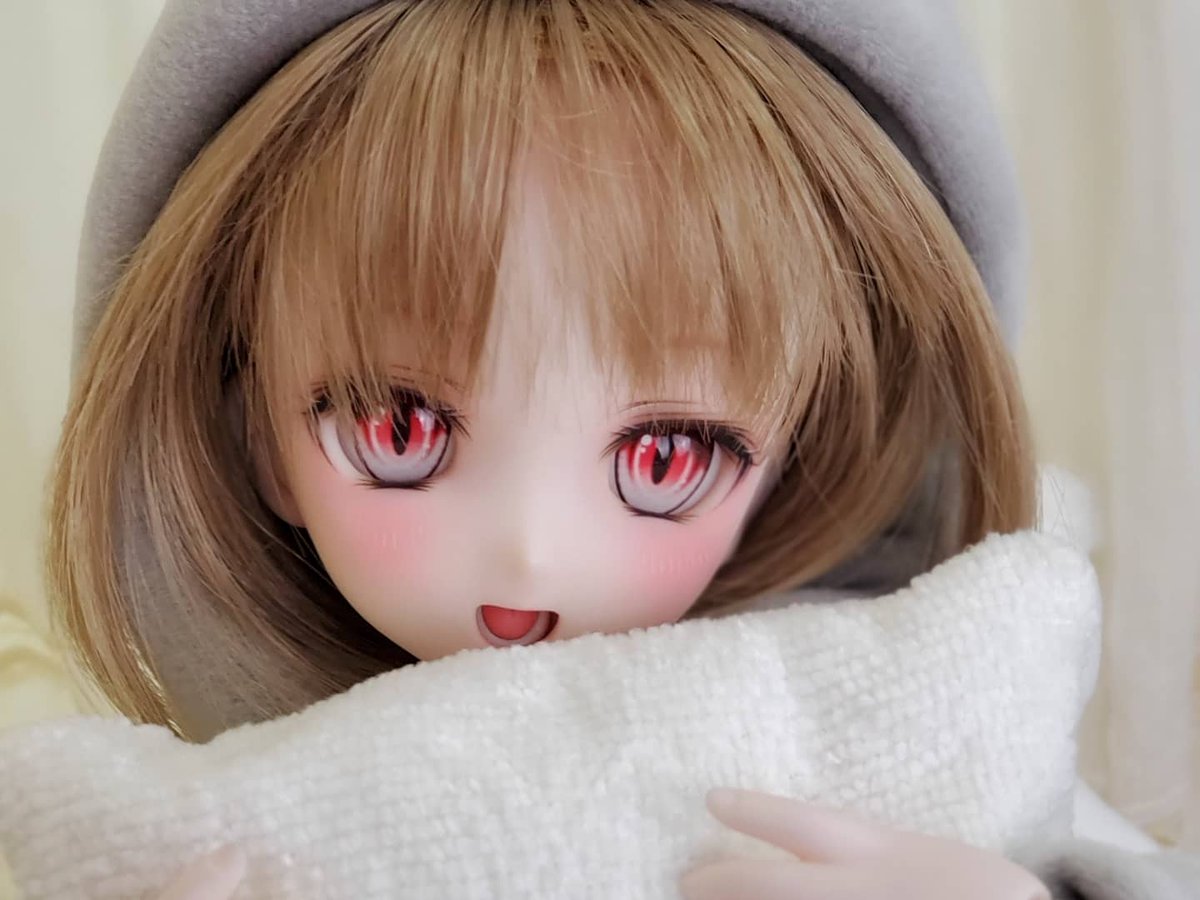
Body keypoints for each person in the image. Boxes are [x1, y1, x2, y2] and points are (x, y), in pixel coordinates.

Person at [45, 0, 1200, 896]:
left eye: (666, 457)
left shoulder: (869, 733)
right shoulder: (219, 803)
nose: (532, 550)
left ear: (797, 453)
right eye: (401, 430)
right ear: (253, 439)